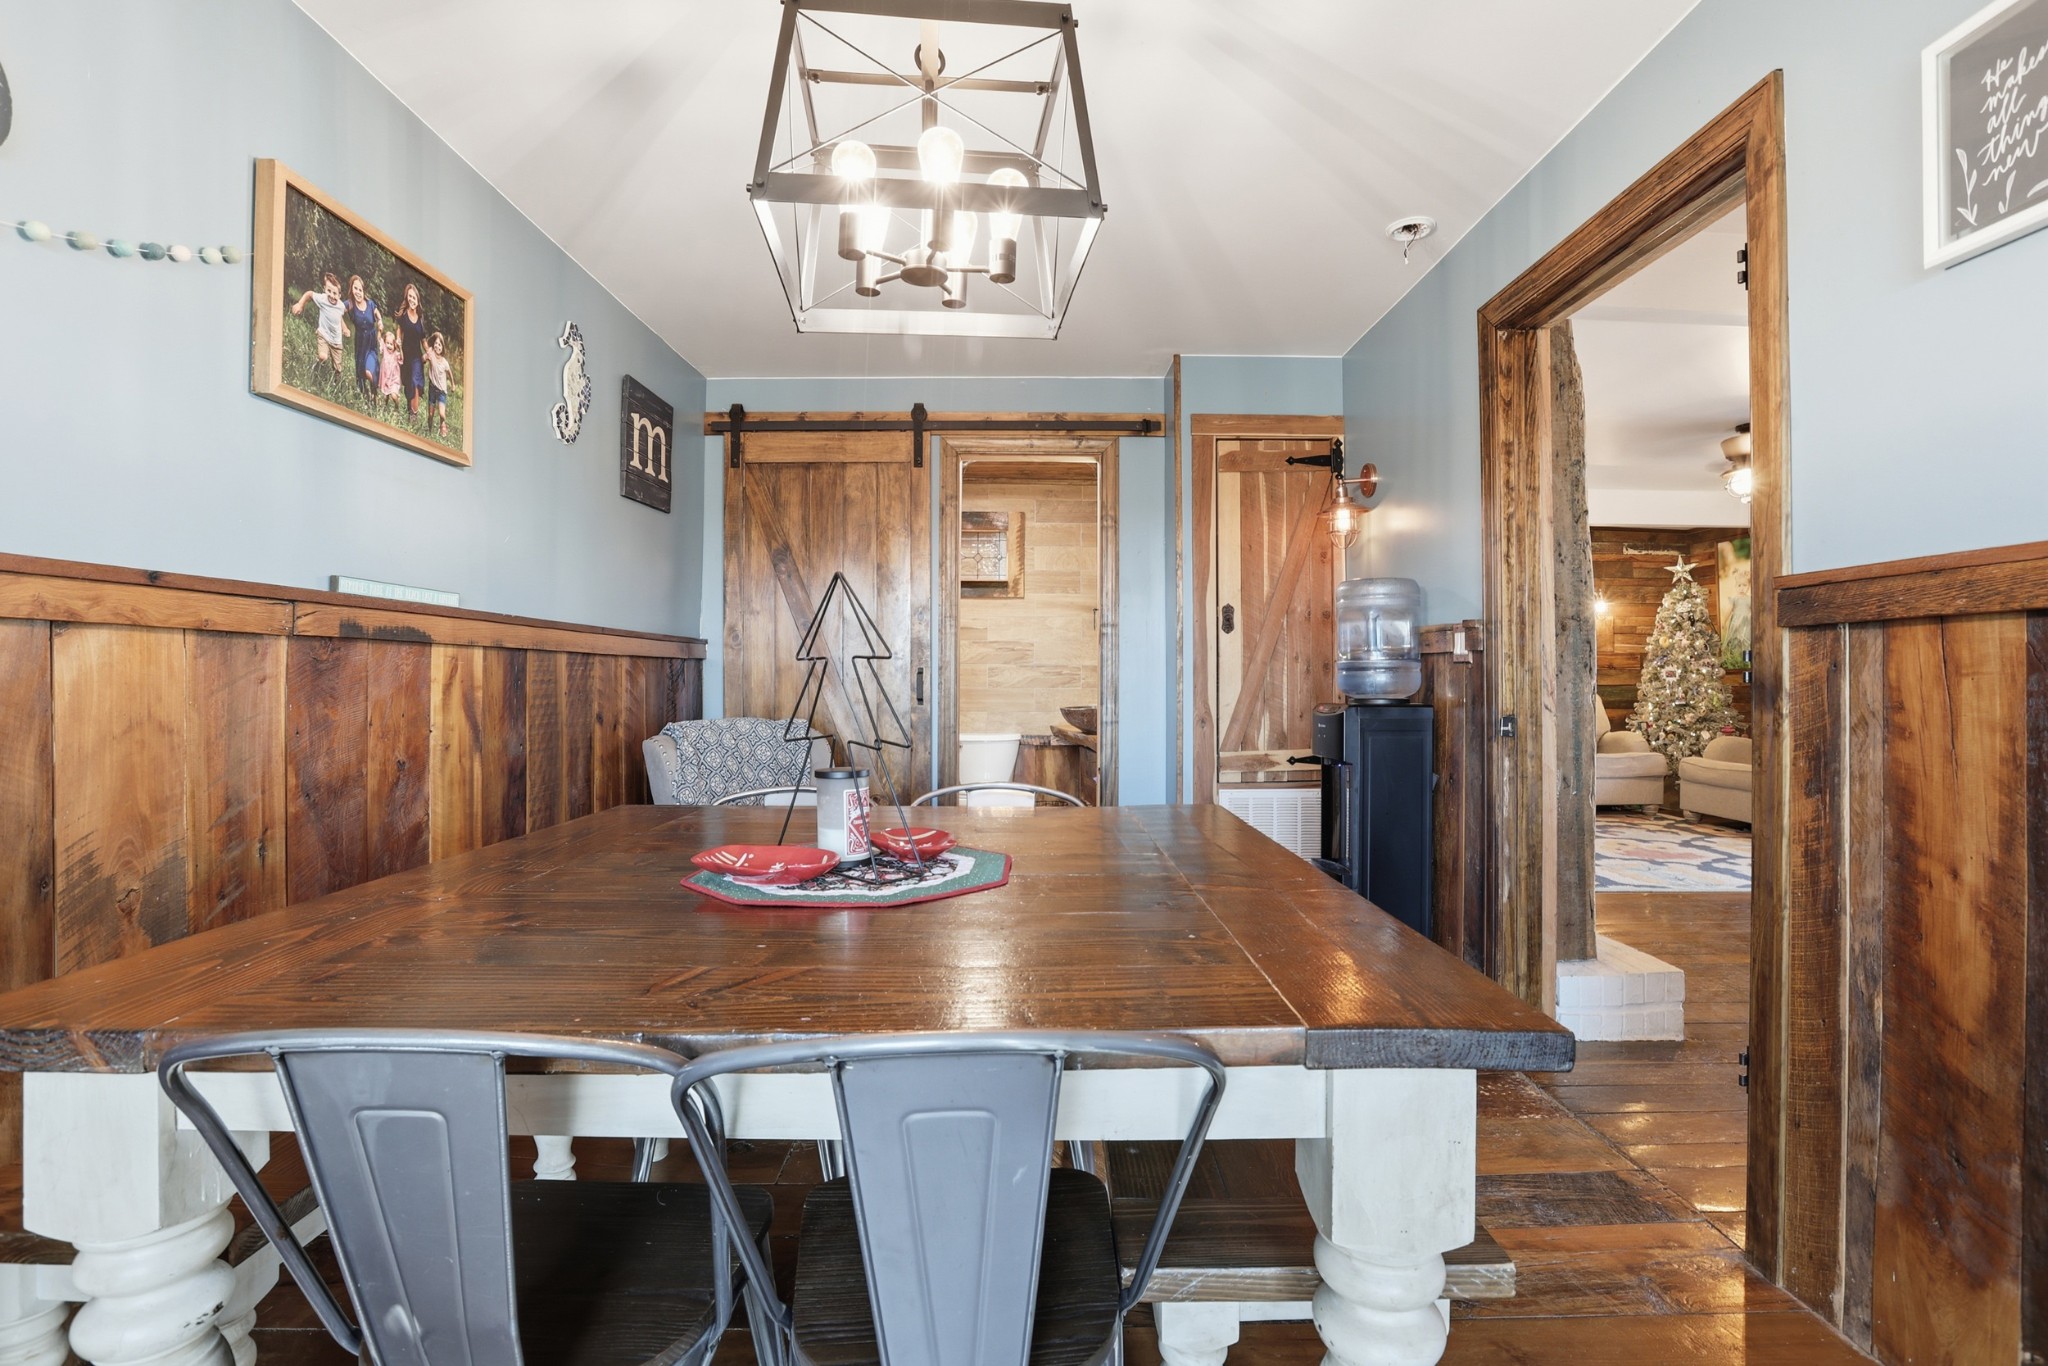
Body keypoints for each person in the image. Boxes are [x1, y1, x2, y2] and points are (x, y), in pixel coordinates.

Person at [289, 273, 348, 375]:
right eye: (329, 291)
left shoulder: (341, 306)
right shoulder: (322, 299)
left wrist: (345, 328)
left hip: (336, 340)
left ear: (339, 295)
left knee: (338, 369)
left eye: (335, 293)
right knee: (323, 357)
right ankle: (316, 368)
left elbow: (339, 317)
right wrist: (300, 304)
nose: (331, 295)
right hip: (323, 335)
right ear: (324, 289)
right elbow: (309, 294)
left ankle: (335, 382)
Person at [393, 282, 429, 420]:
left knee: (414, 382)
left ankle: (414, 415)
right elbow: (399, 329)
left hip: (417, 357)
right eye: (410, 297)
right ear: (407, 298)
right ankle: (410, 411)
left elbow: (423, 339)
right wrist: (398, 340)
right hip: (405, 355)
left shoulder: (420, 318)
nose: (412, 300)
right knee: (408, 383)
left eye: (414, 297)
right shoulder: (404, 315)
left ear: (417, 299)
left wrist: (429, 352)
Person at [343, 275, 381, 398]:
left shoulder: (370, 304)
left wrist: (380, 321)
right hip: (360, 343)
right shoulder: (350, 304)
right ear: (351, 289)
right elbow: (337, 311)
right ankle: (366, 397)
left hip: (371, 342)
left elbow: (377, 314)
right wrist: (344, 327)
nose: (358, 292)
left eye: (360, 289)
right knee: (361, 372)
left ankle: (374, 390)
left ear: (363, 291)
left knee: (369, 372)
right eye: (355, 288)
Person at [426, 332, 455, 438]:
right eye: (436, 344)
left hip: (442, 391)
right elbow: (424, 355)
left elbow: (450, 373)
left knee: (442, 414)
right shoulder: (431, 352)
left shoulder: (444, 362)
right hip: (432, 388)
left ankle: (443, 425)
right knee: (430, 415)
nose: (437, 346)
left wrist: (453, 384)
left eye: (440, 345)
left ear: (443, 348)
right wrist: (425, 358)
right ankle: (429, 433)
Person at [377, 324, 403, 413]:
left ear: (394, 345)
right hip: (385, 378)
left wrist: (400, 349)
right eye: (387, 343)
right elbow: (379, 340)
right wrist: (379, 331)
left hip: (393, 379)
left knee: (393, 395)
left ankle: (397, 406)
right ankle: (385, 407)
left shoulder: (396, 354)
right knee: (385, 396)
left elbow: (402, 359)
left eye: (391, 344)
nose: (389, 346)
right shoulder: (384, 349)